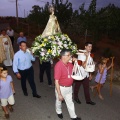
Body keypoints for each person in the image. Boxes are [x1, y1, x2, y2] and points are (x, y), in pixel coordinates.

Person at [54, 49, 81, 120]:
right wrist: (59, 94)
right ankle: (59, 111)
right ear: (63, 56)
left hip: (69, 87)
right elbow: (56, 81)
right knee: (59, 101)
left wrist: (75, 63)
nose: (70, 57)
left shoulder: (70, 64)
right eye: (69, 55)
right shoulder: (58, 66)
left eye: (70, 55)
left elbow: (75, 72)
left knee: (70, 102)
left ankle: (73, 116)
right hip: (61, 88)